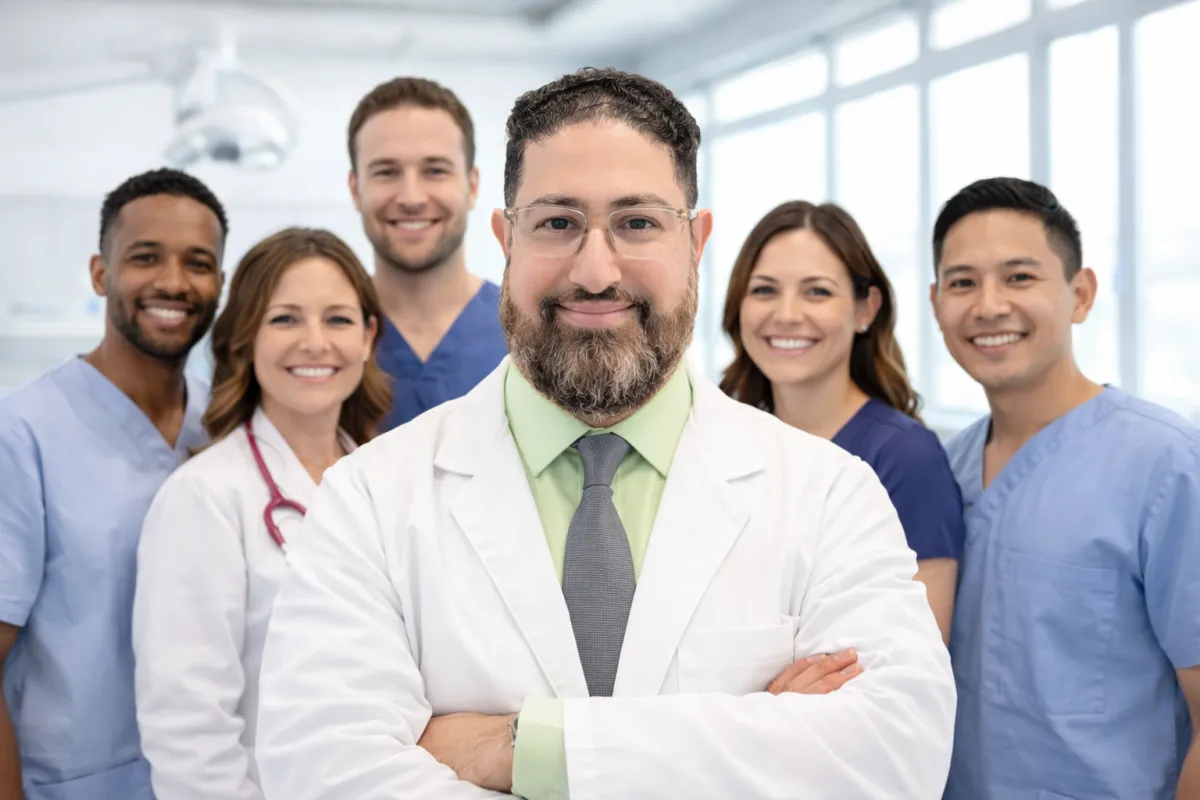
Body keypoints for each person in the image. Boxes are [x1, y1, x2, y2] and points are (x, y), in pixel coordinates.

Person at [254, 67, 956, 800]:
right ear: (505, 238)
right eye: (557, 222)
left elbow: (896, 754)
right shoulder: (367, 499)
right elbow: (319, 772)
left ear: (697, 241)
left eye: (638, 222)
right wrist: (753, 734)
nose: (595, 271)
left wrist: (520, 747)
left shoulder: (828, 493)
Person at [931, 177, 1200, 799]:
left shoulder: (1166, 465)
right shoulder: (944, 468)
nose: (989, 305)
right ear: (936, 301)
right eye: (963, 282)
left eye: (1019, 277)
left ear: (1080, 295)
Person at [131, 227, 391, 799]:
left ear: (370, 337)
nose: (315, 342)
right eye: (285, 319)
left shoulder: (387, 485)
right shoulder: (203, 499)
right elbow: (188, 731)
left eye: (339, 319)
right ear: (245, 339)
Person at [0, 168, 226, 799]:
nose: (173, 283)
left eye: (198, 263)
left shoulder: (229, 429)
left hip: (210, 780)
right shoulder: (21, 435)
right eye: (145, 257)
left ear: (221, 284)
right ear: (101, 273)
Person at [720, 200, 964, 643]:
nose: (787, 314)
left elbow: (914, 659)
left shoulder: (907, 458)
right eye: (764, 290)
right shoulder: (724, 446)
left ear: (865, 309)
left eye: (817, 291)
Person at [348, 76, 508, 430]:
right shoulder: (326, 339)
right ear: (355, 189)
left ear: (472, 186)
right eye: (386, 172)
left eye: (435, 170)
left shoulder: (527, 334)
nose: (411, 198)